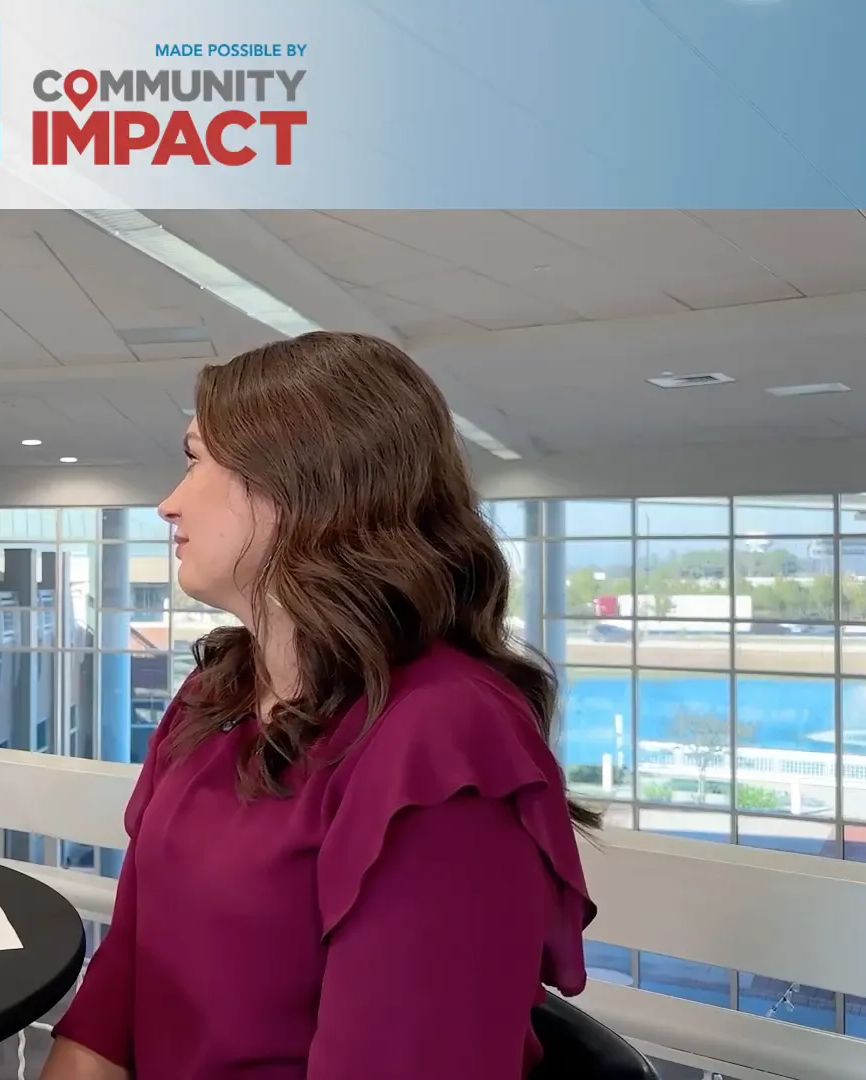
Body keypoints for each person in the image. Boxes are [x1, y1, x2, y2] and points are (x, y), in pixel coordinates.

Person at [41, 332, 598, 1079]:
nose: (168, 504)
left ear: (295, 482)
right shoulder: (216, 692)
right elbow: (127, 972)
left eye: (196, 459)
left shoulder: (443, 742)